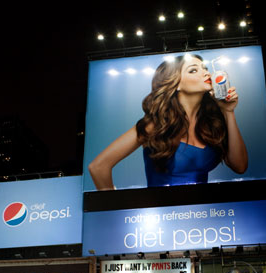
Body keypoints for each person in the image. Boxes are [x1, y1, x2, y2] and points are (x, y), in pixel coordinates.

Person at [88, 53, 247, 190]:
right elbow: (98, 167)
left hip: (204, 214)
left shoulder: (211, 123)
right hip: (162, 217)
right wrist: (113, 212)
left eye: (205, 68)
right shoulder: (155, 125)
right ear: (176, 83)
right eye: (193, 70)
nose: (206, 73)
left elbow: (240, 167)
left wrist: (228, 111)